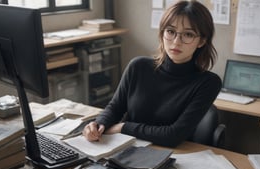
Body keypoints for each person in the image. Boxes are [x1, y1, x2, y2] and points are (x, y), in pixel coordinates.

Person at [83, 1, 222, 147]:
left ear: (201, 41)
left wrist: (123, 127)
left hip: (174, 157)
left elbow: (174, 135)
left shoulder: (208, 83)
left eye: (188, 34)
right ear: (162, 33)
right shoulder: (138, 66)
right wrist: (98, 124)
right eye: (170, 31)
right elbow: (115, 108)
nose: (176, 41)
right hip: (127, 149)